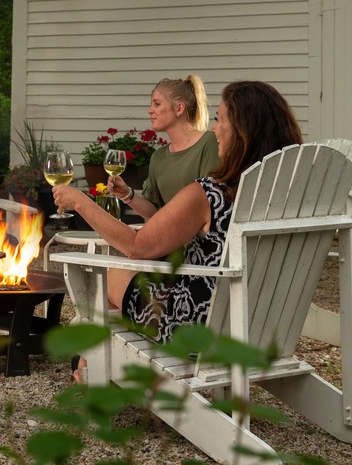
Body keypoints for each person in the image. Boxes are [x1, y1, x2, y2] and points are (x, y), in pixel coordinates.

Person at [55, 81, 302, 378]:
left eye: (220, 119)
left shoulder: (209, 194)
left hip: (200, 327)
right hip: (264, 323)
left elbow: (136, 245)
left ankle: (91, 366)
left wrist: (80, 202)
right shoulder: (291, 194)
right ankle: (90, 363)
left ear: (243, 132)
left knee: (116, 275)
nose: (213, 129)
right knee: (139, 276)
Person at [112, 74, 221, 221]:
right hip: (171, 241)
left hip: (201, 241)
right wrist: (127, 194)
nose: (150, 110)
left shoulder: (209, 143)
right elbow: (154, 213)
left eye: (157, 104)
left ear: (179, 108)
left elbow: (210, 202)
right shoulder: (158, 157)